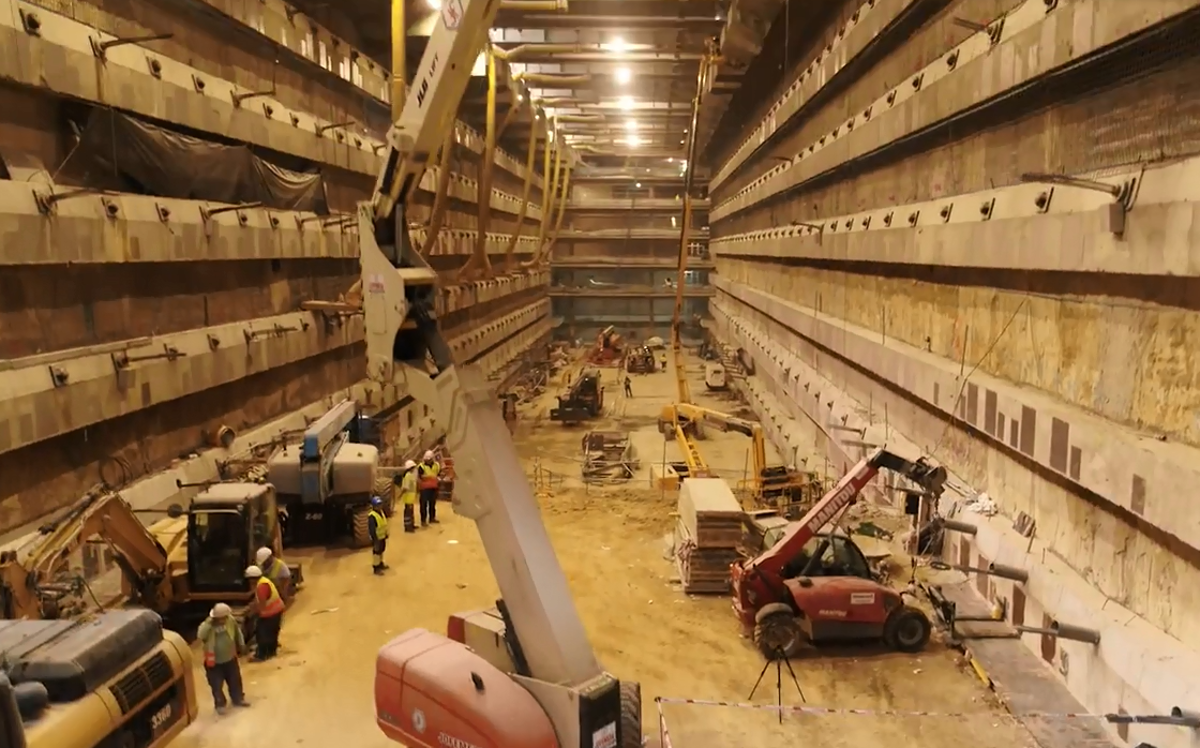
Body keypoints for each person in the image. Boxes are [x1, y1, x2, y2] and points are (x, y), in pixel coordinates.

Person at [197, 603, 250, 714]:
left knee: (235, 680)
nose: (223, 621)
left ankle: (238, 699)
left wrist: (241, 644)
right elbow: (200, 635)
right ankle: (220, 704)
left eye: (224, 618)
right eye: (220, 619)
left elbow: (237, 632)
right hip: (214, 663)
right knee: (216, 684)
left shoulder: (230, 621)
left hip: (230, 658)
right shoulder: (208, 625)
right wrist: (209, 623)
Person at [245, 565, 285, 661]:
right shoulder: (264, 581)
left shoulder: (261, 586)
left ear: (252, 578)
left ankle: (261, 655)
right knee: (272, 633)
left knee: (263, 633)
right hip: (277, 609)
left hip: (270, 612)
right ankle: (271, 651)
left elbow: (262, 604)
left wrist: (251, 613)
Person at [393, 459, 418, 533]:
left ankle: (411, 525)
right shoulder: (408, 476)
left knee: (410, 512)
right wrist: (399, 496)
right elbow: (405, 488)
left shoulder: (410, 475)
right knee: (408, 513)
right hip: (408, 498)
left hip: (411, 498)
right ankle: (408, 527)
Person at [368, 496, 390, 575]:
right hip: (377, 538)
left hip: (382, 537)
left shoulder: (381, 512)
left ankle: (380, 564)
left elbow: (383, 523)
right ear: (374, 506)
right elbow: (372, 529)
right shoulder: (372, 516)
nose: (379, 506)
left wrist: (386, 533)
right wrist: (375, 539)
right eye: (378, 505)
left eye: (380, 504)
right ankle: (376, 568)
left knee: (381, 551)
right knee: (376, 553)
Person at [418, 450, 440, 526]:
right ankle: (423, 520)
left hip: (434, 488)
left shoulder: (436, 465)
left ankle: (432, 518)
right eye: (427, 460)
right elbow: (419, 476)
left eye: (429, 460)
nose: (428, 461)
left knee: (432, 504)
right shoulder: (421, 466)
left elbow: (438, 474)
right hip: (424, 489)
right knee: (423, 505)